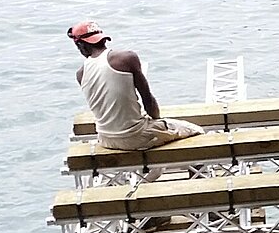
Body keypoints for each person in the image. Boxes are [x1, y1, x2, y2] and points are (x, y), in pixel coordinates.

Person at [66, 20, 205, 151]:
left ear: (81, 45)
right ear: (103, 39)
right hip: (136, 137)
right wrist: (158, 121)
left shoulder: (81, 74)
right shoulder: (126, 58)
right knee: (196, 131)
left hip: (105, 139)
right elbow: (149, 102)